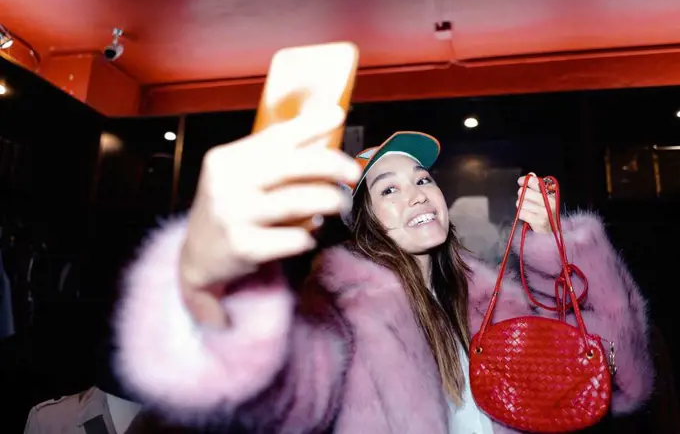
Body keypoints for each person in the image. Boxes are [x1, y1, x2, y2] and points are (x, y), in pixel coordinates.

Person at [114, 105, 653, 433]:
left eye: (422, 179)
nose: (417, 194)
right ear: (364, 220)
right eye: (388, 189)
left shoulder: (493, 300)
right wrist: (217, 290)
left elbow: (619, 381)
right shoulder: (341, 314)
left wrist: (560, 250)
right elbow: (279, 404)